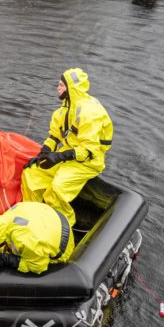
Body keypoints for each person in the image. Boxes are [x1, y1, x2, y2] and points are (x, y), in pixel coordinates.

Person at [20, 67, 113, 227]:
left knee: (57, 189)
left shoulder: (89, 113)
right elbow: (54, 136)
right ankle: (32, 219)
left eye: (61, 85)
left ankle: (63, 228)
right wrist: (43, 153)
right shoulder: (62, 112)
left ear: (71, 88)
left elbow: (89, 151)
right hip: (69, 154)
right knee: (31, 175)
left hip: (88, 162)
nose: (58, 88)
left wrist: (58, 157)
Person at [0, 201, 75, 274]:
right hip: (54, 220)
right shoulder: (8, 214)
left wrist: (7, 260)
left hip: (63, 246)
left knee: (31, 265)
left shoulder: (24, 241)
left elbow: (38, 267)